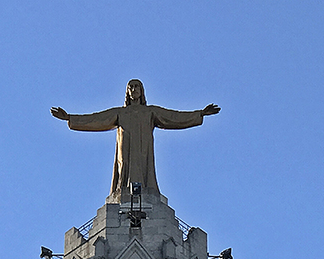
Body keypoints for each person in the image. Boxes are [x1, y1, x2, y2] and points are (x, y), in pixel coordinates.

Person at [51, 80, 219, 198]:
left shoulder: (150, 112)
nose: (134, 89)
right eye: (131, 87)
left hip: (144, 148)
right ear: (127, 92)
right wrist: (70, 118)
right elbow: (97, 119)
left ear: (142, 90)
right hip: (126, 147)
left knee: (145, 167)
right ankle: (121, 190)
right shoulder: (120, 112)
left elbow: (173, 117)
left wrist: (199, 114)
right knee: (124, 166)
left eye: (137, 86)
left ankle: (146, 189)